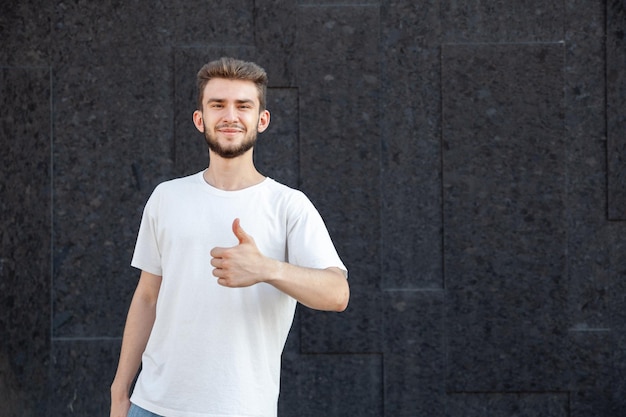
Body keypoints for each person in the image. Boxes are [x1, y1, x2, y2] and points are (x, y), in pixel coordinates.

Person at [109, 57, 349, 417]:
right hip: (151, 405)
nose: (230, 116)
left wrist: (267, 269)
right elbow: (146, 297)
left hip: (240, 407)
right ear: (199, 118)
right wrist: (119, 390)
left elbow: (337, 294)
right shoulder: (166, 197)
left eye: (243, 105)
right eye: (217, 105)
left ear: (261, 120)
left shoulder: (288, 206)